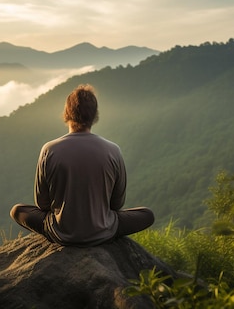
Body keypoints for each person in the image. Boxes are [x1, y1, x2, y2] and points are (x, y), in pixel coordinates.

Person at [10, 84, 154, 246]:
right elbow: (117, 204)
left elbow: (42, 204)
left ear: (66, 114)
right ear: (94, 116)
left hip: (61, 232)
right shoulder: (113, 150)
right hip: (104, 232)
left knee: (18, 211)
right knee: (147, 215)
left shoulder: (49, 150)